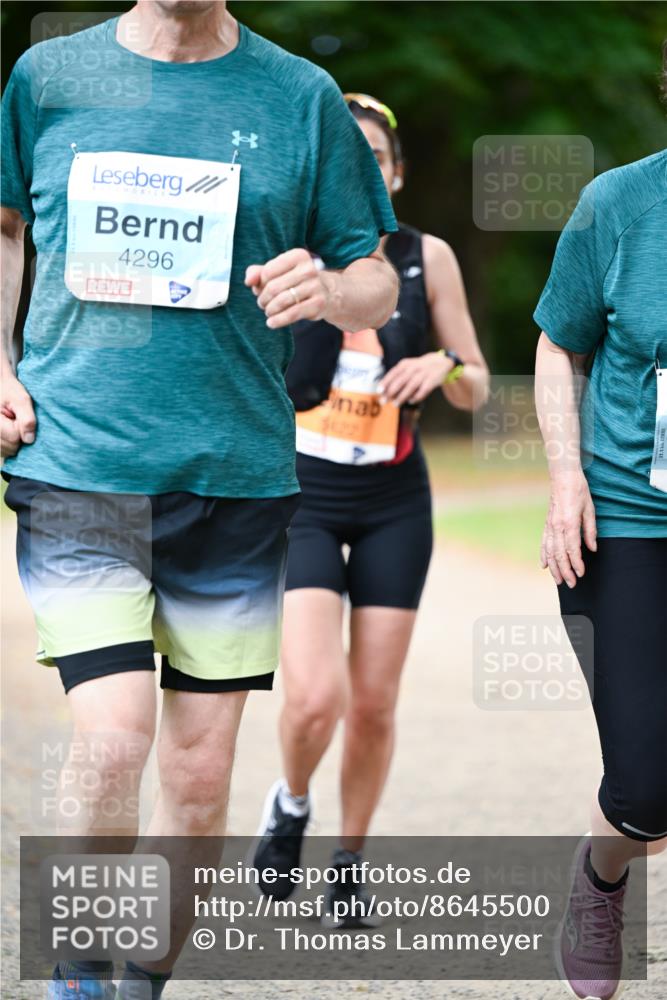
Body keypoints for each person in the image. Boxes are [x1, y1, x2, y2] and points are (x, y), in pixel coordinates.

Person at [0, 2, 399, 997]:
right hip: (80, 460)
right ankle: (80, 974)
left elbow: (374, 279)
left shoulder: (299, 99)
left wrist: (332, 291)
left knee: (197, 772)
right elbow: (6, 226)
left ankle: (142, 980)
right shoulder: (49, 78)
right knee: (115, 733)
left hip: (234, 473)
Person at [252, 93, 489, 924]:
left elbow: (477, 378)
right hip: (305, 496)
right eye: (345, 162)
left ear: (394, 174)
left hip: (394, 499)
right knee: (316, 696)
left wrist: (446, 368)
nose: (364, 175)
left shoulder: (430, 257)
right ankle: (289, 801)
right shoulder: (292, 257)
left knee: (376, 701)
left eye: (376, 162)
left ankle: (349, 860)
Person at [534, 123, 666, 1000]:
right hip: (627, 521)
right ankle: (603, 872)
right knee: (650, 788)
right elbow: (558, 344)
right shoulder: (618, 202)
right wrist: (563, 477)